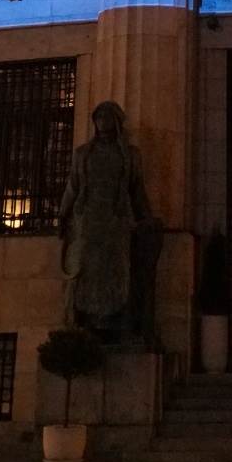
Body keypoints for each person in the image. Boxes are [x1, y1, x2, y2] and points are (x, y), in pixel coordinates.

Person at [59, 101, 156, 339]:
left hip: (117, 222)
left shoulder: (130, 155)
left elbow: (137, 189)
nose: (102, 121)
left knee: (117, 270)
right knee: (86, 270)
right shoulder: (83, 154)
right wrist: (63, 214)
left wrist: (146, 218)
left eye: (106, 116)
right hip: (89, 221)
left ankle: (116, 320)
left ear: (116, 120)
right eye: (98, 116)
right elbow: (73, 186)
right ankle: (86, 321)